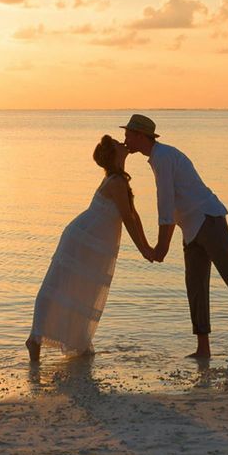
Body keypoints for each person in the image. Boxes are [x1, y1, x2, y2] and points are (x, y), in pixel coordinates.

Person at [120, 114, 228, 364]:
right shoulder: (157, 158)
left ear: (141, 136)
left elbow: (165, 205)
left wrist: (160, 248)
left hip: (208, 219)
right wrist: (161, 245)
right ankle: (203, 348)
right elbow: (171, 207)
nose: (125, 139)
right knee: (195, 286)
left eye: (128, 134)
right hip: (191, 226)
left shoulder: (163, 157)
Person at [26, 135, 158, 362]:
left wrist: (147, 246)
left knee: (84, 289)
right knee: (56, 287)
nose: (122, 143)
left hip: (94, 242)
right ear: (115, 154)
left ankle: (79, 339)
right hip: (83, 239)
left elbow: (134, 215)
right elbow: (127, 219)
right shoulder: (116, 182)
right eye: (118, 143)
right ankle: (35, 338)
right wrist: (145, 250)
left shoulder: (119, 179)